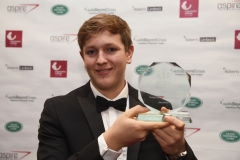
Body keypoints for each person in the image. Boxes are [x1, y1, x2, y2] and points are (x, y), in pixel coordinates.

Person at [37, 14, 197, 160]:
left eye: (111, 49)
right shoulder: (58, 110)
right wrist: (110, 141)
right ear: (83, 57)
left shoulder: (156, 107)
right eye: (91, 52)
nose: (100, 60)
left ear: (129, 53)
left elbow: (179, 154)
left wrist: (177, 151)